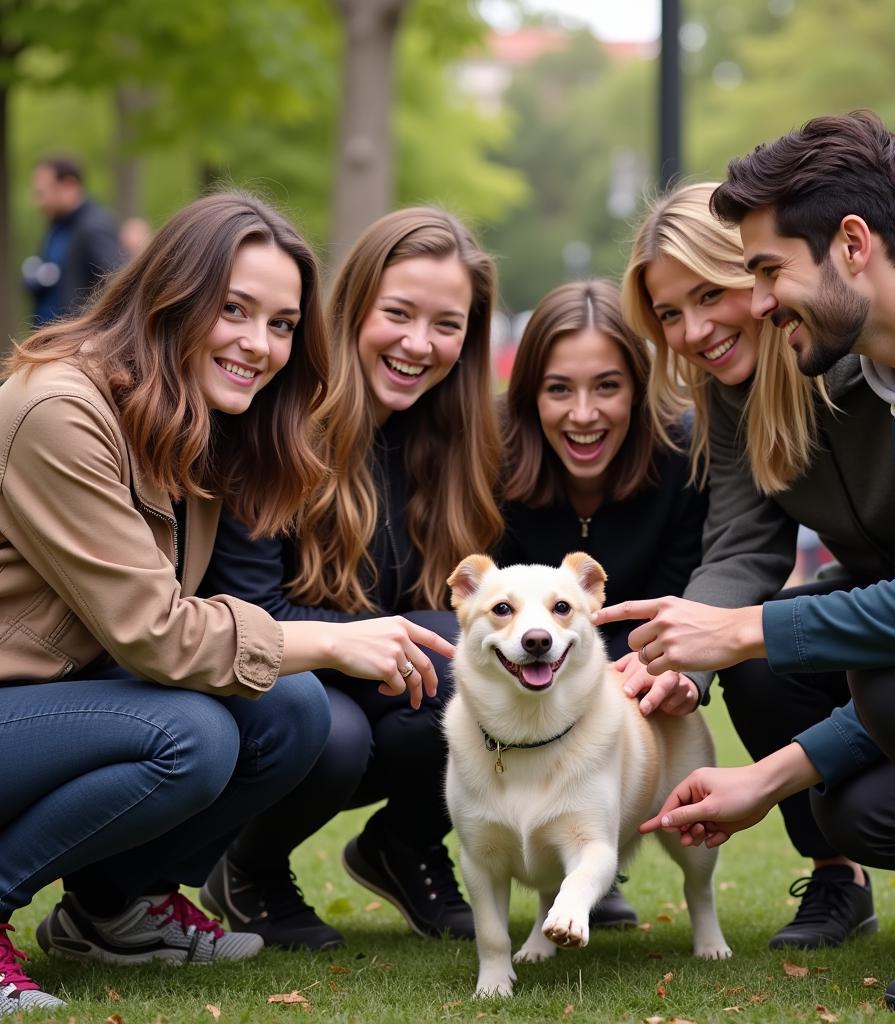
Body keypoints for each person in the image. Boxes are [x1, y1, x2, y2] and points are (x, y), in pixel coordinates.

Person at [603, 111, 895, 1012]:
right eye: (669, 315)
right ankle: (861, 870)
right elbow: (746, 550)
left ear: (850, 246)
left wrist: (750, 632)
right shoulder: (888, 357)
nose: (729, 316)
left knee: (890, 678)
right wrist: (702, 684)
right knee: (854, 797)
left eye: (753, 278)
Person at [0, 192, 454, 1015]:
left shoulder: (193, 420)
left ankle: (112, 911)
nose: (260, 344)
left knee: (291, 713)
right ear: (171, 294)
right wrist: (332, 642)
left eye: (281, 324)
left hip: (58, 703)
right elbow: (155, 634)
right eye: (234, 310)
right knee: (192, 734)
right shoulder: (60, 410)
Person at [196, 206, 503, 950]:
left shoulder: (464, 445)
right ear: (350, 308)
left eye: (447, 325)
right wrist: (379, 640)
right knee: (343, 726)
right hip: (271, 691)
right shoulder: (274, 427)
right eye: (397, 314)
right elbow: (252, 608)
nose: (418, 344)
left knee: (499, 678)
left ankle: (405, 844)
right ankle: (250, 868)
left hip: (388, 693)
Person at [496, 279, 708, 928]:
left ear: (638, 390)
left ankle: (834, 870)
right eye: (559, 389)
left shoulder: (684, 454)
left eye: (607, 387)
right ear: (530, 393)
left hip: (642, 670)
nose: (583, 414)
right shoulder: (492, 459)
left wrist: (679, 667)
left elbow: (692, 587)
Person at [22, 156, 122, 325]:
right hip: (51, 338)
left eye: (42, 193)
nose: (38, 202)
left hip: (75, 340)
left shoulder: (94, 226)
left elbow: (116, 281)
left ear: (69, 186)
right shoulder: (57, 226)